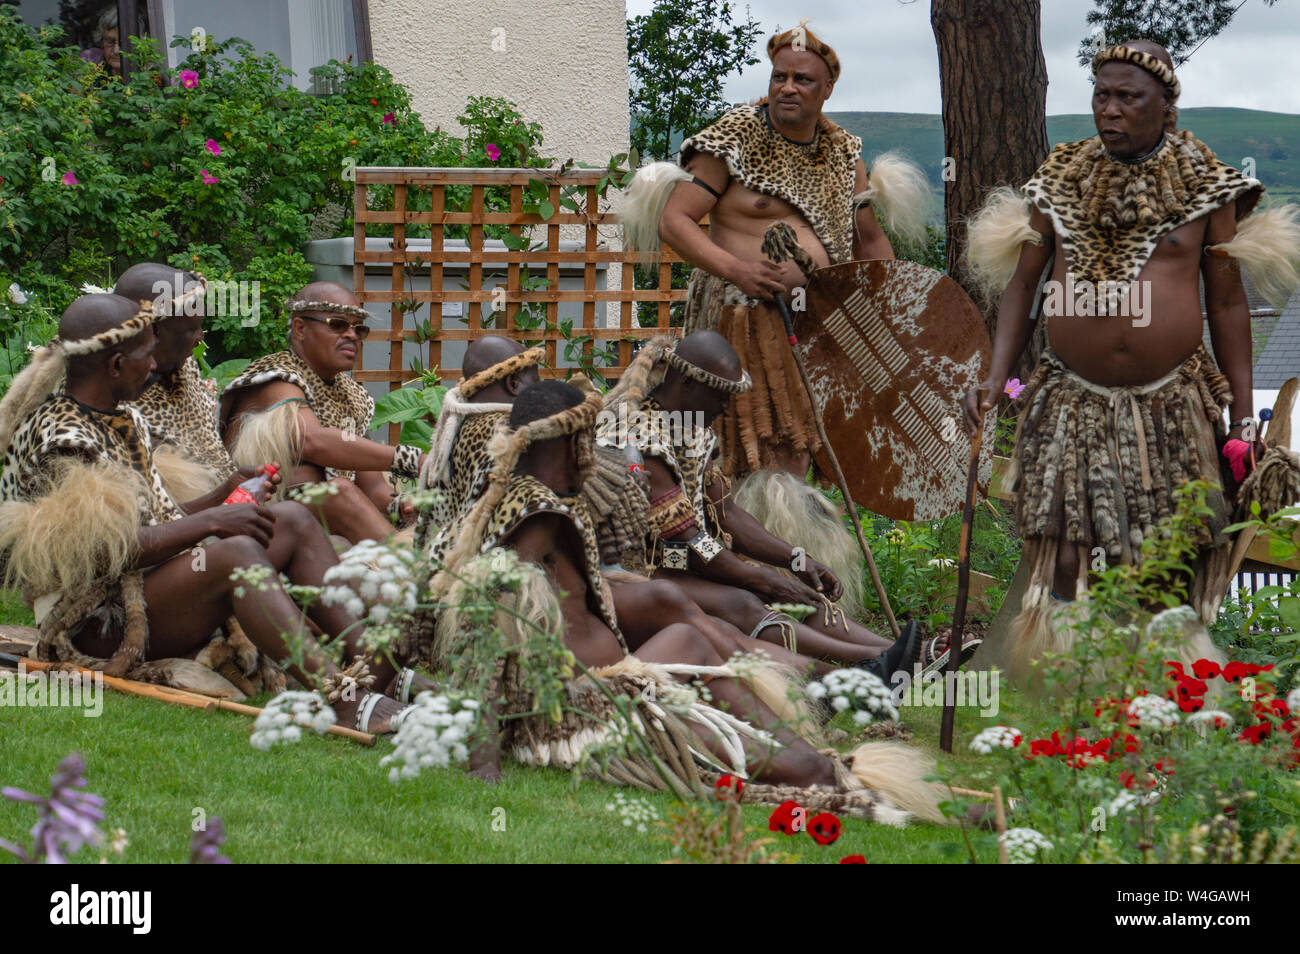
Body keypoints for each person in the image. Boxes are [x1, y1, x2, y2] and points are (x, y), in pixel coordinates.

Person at [425, 379, 945, 823]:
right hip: (583, 711)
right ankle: (822, 738)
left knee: (693, 637)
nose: (593, 450)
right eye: (585, 437)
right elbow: (486, 622)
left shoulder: (526, 499)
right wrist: (484, 757)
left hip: (607, 690)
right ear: (567, 439)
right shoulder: (536, 513)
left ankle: (818, 741)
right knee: (690, 638)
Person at [962, 41, 1300, 680]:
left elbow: (1227, 306)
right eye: (1101, 96)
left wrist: (1242, 418)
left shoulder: (1208, 186)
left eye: (1128, 98)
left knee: (1167, 553)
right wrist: (994, 375)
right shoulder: (1059, 181)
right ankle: (1064, 688)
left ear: (1166, 105)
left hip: (1172, 401)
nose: (1109, 110)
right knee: (1064, 550)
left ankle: (1164, 697)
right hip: (1070, 396)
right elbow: (1024, 288)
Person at [619, 22, 931, 601]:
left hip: (813, 326)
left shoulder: (843, 154)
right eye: (779, 76)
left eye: (803, 80)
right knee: (739, 450)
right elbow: (675, 221)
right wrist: (736, 269)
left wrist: (891, 314)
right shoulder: (733, 138)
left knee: (795, 449)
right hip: (737, 323)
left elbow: (867, 241)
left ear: (826, 89)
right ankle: (748, 587)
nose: (788, 87)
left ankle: (803, 590)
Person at [0, 294, 410, 731]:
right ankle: (340, 699)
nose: (155, 363)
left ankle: (374, 664)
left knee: (291, 518)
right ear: (116, 364)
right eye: (146, 353)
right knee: (236, 556)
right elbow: (102, 556)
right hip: (96, 623)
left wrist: (221, 497)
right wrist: (214, 522)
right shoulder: (63, 439)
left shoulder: (120, 419)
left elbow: (155, 520)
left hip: (141, 589)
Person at [590, 331, 963, 676]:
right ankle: (869, 668)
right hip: (637, 577)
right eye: (720, 394)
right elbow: (690, 541)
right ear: (687, 383)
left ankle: (912, 656)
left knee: (798, 592)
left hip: (682, 568)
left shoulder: (687, 428)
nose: (725, 406)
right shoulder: (638, 437)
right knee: (745, 599)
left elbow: (727, 514)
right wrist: (765, 579)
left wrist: (797, 561)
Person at [219, 281, 426, 544]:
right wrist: (413, 459)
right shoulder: (276, 378)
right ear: (300, 328)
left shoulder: (352, 395)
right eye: (338, 324)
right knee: (337, 493)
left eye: (358, 328)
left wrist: (400, 506)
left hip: (318, 528)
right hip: (257, 523)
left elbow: (372, 486)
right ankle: (417, 576)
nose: (352, 335)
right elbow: (312, 441)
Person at [113, 263, 238, 503]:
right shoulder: (103, 392)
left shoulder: (180, 366)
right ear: (153, 332)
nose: (200, 336)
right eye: (192, 329)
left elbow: (207, 446)